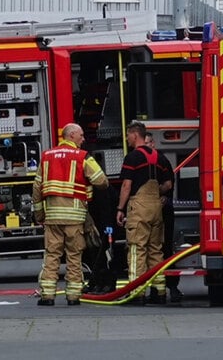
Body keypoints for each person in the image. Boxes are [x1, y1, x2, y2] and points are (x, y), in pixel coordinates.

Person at [33, 123, 108, 306]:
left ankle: (47, 296)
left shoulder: (47, 156)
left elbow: (37, 188)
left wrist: (40, 214)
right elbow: (101, 180)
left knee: (52, 255)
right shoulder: (82, 157)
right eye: (81, 135)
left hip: (52, 217)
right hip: (75, 216)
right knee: (74, 256)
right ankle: (73, 296)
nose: (83, 139)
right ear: (72, 135)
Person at [115, 120, 173, 304]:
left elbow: (126, 185)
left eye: (128, 135)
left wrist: (120, 208)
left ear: (134, 135)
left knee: (136, 248)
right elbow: (168, 184)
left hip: (138, 207)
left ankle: (136, 292)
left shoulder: (132, 158)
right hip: (156, 207)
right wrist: (156, 195)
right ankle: (159, 291)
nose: (127, 139)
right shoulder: (160, 157)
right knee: (155, 249)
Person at [145, 131, 181, 303]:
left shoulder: (161, 160)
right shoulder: (141, 159)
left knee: (164, 248)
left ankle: (172, 287)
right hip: (151, 210)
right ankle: (156, 288)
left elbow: (167, 184)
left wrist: (150, 193)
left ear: (152, 144)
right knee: (152, 250)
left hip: (163, 211)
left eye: (147, 144)